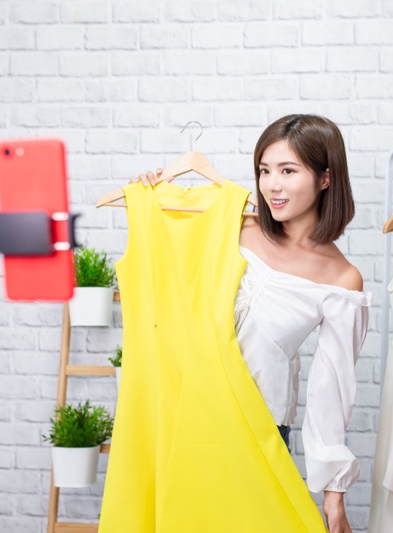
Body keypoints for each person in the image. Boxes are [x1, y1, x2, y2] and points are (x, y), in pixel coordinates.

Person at [131, 114, 370, 533]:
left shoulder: (340, 279)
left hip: (258, 428)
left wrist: (334, 498)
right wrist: (155, 198)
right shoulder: (231, 226)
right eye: (264, 170)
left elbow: (329, 393)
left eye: (288, 171)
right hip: (188, 411)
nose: (272, 185)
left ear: (325, 178)